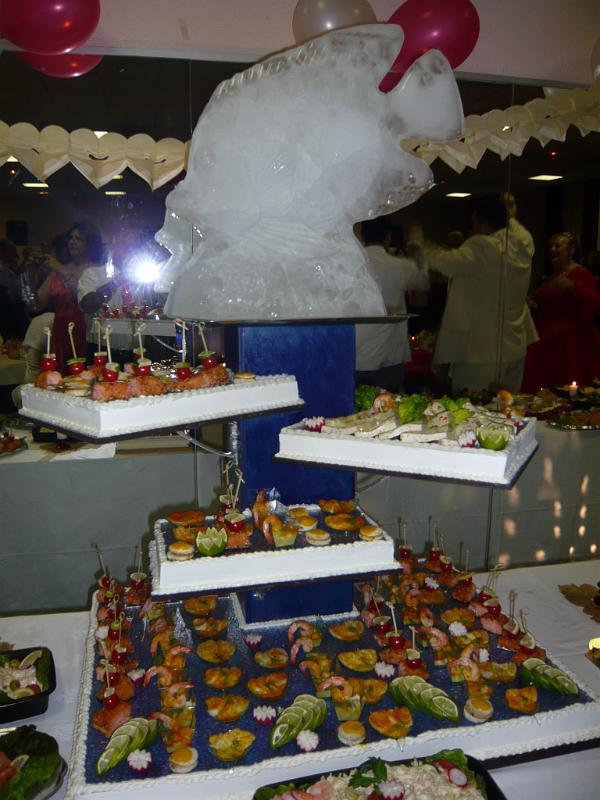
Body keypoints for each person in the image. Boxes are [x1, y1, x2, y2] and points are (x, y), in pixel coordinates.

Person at [407, 194, 537, 393]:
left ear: (481, 221)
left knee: (474, 407)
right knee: (509, 407)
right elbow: (516, 227)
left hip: (481, 351)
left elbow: (442, 261)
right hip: (515, 347)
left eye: (474, 223)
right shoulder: (523, 242)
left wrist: (416, 245)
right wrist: (509, 212)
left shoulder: (483, 247)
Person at [355, 216, 429, 393]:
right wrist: (419, 256)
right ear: (388, 236)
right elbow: (424, 283)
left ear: (362, 236)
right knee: (390, 407)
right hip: (390, 356)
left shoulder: (352, 266)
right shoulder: (401, 266)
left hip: (356, 354)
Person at [522, 232, 600, 390]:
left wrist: (572, 287)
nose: (552, 250)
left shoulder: (580, 274)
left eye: (557, 246)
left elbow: (593, 300)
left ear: (571, 250)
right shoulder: (548, 277)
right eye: (550, 247)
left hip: (570, 339)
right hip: (545, 335)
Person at [36, 221, 110, 373]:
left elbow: (84, 299)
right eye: (70, 238)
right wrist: (30, 274)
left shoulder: (98, 270)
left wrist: (61, 270)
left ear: (90, 243)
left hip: (84, 331)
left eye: (78, 238)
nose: (72, 242)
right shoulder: (58, 269)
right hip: (61, 332)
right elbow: (37, 304)